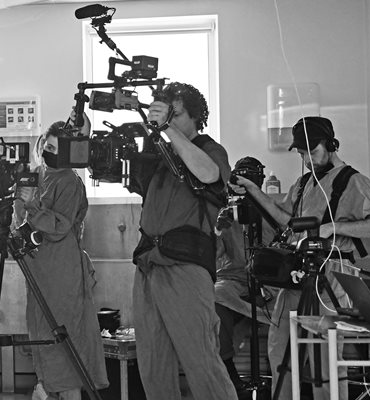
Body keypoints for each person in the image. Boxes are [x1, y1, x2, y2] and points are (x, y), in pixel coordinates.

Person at [229, 116, 370, 400]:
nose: (306, 159)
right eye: (301, 153)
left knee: (324, 357)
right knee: (281, 350)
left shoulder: (353, 182)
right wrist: (253, 191)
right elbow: (286, 221)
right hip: (299, 274)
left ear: (330, 144)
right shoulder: (304, 184)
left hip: (333, 274)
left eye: (311, 151)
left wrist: (333, 227)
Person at [129, 82, 237, 400]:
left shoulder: (209, 148)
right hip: (149, 263)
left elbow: (209, 174)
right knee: (153, 364)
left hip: (186, 266)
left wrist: (167, 130)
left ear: (195, 117)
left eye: (177, 114)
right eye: (166, 113)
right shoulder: (160, 155)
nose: (171, 120)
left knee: (201, 359)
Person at [18, 119, 108, 400]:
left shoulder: (69, 181)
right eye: (47, 146)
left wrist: (33, 206)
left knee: (65, 344)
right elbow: (20, 219)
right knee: (42, 338)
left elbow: (59, 227)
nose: (49, 152)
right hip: (38, 270)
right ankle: (45, 387)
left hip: (62, 272)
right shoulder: (37, 175)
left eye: (56, 148)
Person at [214, 156, 278, 392]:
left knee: (289, 308)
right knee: (214, 297)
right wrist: (218, 229)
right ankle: (228, 373)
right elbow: (215, 255)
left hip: (270, 282)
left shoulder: (271, 209)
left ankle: (281, 375)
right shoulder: (226, 211)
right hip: (234, 279)